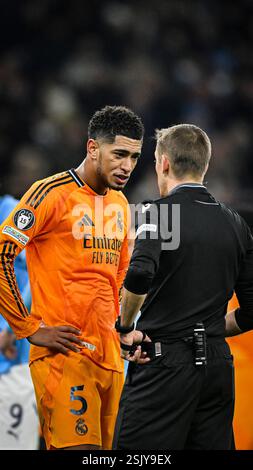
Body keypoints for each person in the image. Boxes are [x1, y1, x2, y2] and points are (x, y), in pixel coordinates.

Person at [0, 105, 144, 450]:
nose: (127, 166)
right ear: (93, 148)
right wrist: (28, 328)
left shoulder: (121, 204)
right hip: (66, 357)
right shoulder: (49, 193)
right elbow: (2, 254)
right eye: (120, 154)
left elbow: (121, 276)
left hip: (110, 361)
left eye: (136, 157)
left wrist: (125, 331)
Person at [113, 124, 253, 450]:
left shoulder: (157, 212)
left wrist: (125, 326)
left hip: (163, 365)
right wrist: (210, 332)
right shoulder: (236, 223)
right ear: (205, 164)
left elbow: (138, 275)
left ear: (163, 163)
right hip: (218, 367)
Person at [0, 194, 39, 450]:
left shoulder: (12, 211)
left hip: (12, 360)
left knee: (13, 442)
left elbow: (40, 269)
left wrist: (12, 327)